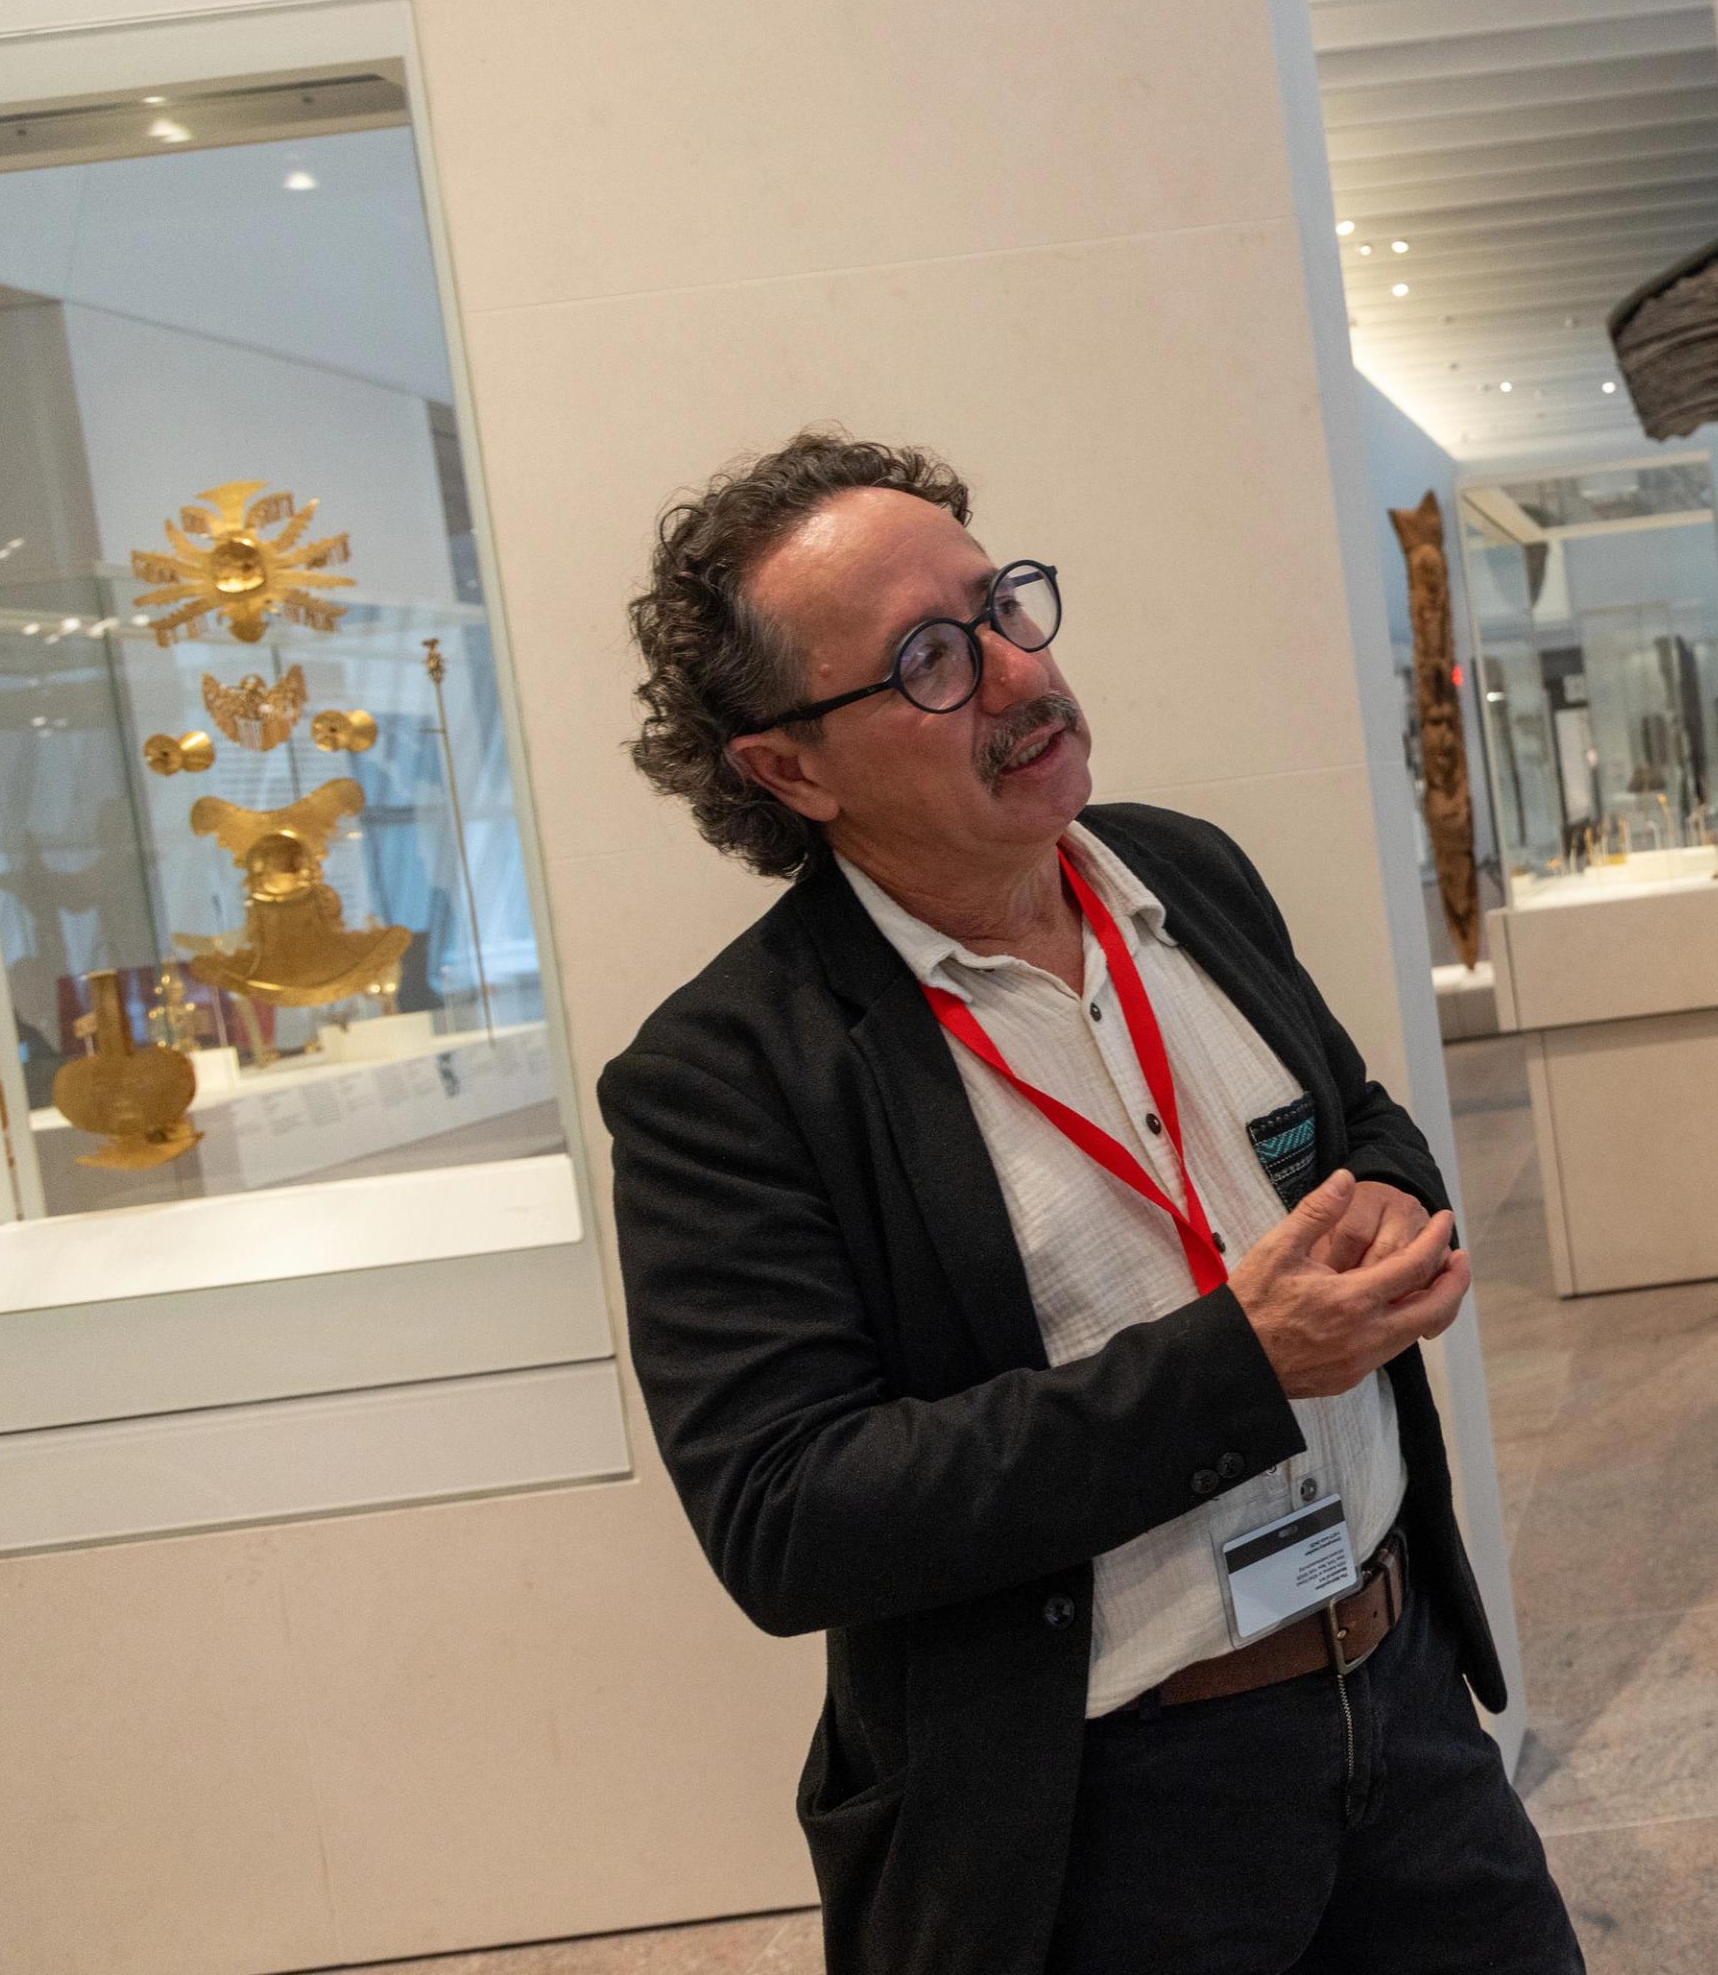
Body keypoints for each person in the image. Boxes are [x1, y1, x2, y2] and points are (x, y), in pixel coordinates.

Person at [598, 431, 1581, 1975]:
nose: (1012, 675)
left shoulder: (1181, 874)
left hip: (1400, 1706)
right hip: (1108, 1815)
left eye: (1001, 607)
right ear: (788, 769)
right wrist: (1238, 1369)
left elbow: (1351, 1116)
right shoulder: (729, 1078)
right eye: (929, 658)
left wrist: (1388, 1196)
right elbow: (791, 1516)